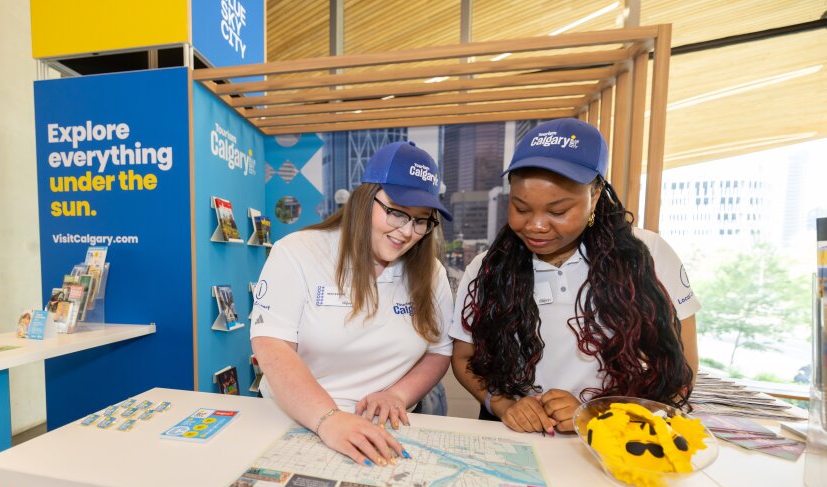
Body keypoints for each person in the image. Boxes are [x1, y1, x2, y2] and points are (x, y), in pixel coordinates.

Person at [450, 118, 699, 435]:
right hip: (516, 439)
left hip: (613, 442)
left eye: (557, 211)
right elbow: (463, 358)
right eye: (521, 207)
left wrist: (598, 414)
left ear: (594, 196)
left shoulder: (648, 255)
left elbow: (682, 372)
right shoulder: (488, 267)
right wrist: (504, 405)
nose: (536, 226)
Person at [250, 141, 454, 466]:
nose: (407, 232)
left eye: (421, 221)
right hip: (300, 420)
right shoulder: (298, 252)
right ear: (364, 198)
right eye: (397, 212)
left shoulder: (431, 272)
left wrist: (398, 394)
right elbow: (272, 347)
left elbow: (439, 351)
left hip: (389, 427)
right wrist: (328, 418)